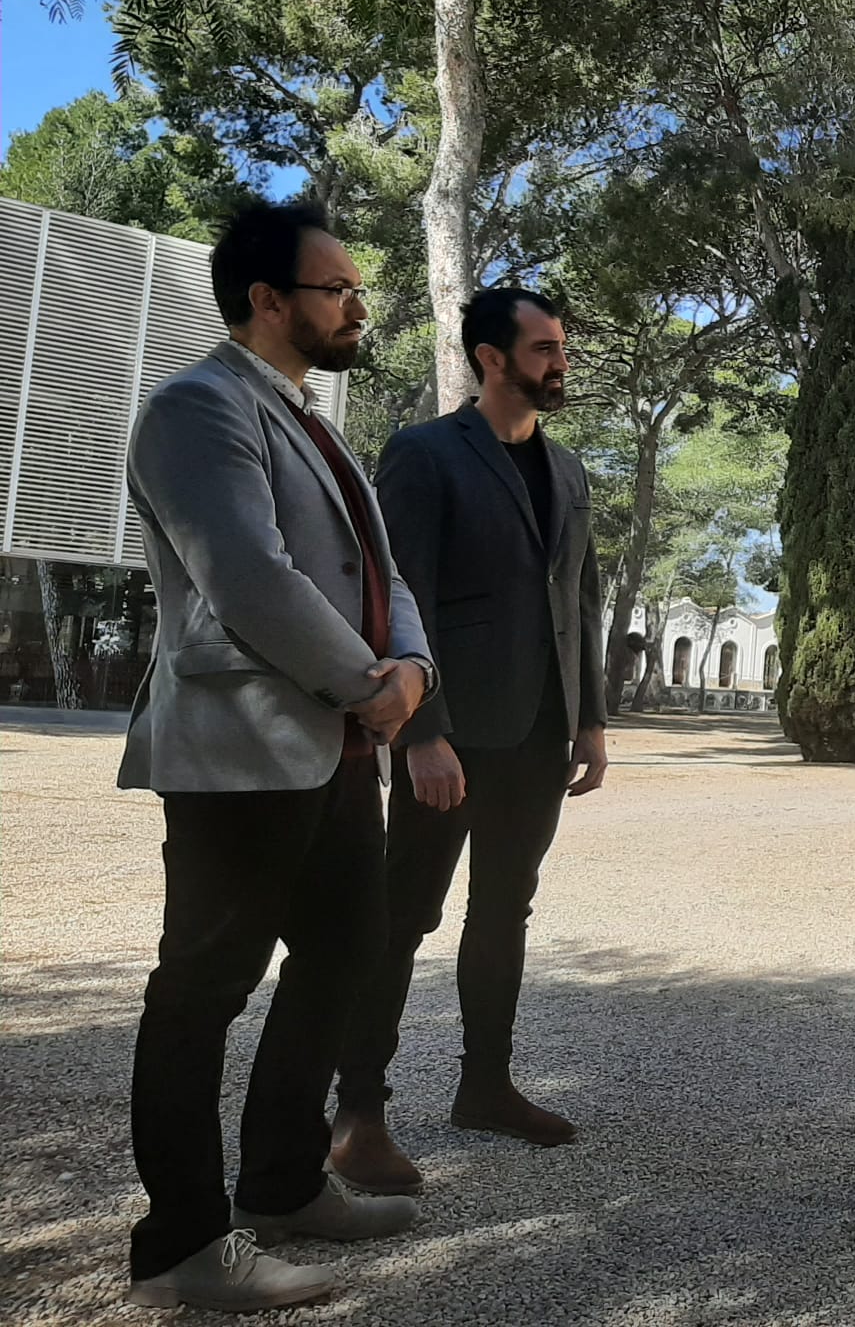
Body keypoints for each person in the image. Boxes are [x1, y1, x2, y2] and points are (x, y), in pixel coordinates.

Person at [118, 198, 435, 1312]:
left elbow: (383, 578)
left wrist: (413, 672)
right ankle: (181, 1251)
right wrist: (370, 683)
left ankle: (285, 1183)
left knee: (348, 955)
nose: (356, 306)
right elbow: (250, 580)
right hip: (245, 752)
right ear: (266, 300)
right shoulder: (196, 410)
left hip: (338, 750)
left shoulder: (309, 418)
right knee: (203, 991)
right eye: (337, 289)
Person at [330, 287, 608, 1195]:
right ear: (491, 357)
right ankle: (358, 1114)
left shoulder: (566, 469)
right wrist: (421, 736)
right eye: (542, 347)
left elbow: (580, 604)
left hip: (539, 733)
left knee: (505, 911)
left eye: (560, 346)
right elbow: (397, 598)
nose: (558, 361)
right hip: (449, 737)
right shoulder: (423, 455)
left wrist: (591, 720)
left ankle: (485, 1086)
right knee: (402, 914)